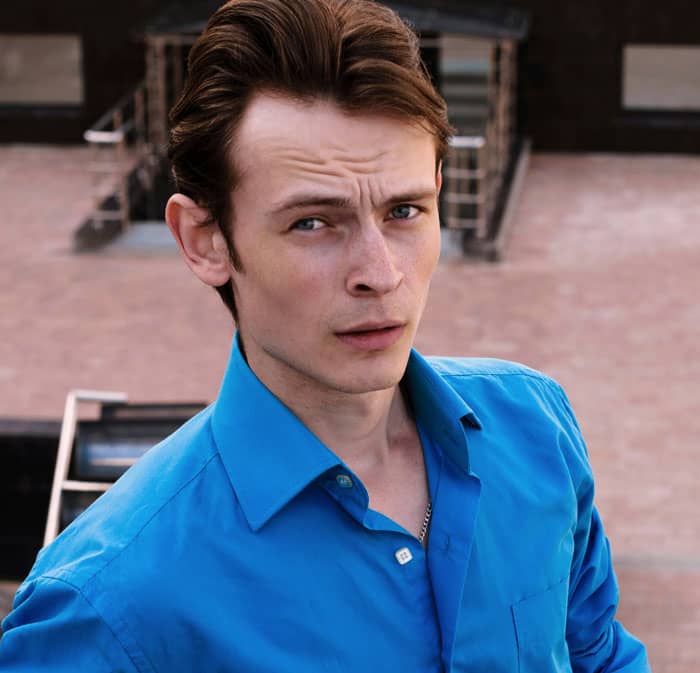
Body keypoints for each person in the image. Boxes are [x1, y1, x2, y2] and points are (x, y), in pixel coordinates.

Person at [0, 0, 650, 671]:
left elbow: (598, 654)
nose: (381, 273)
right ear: (204, 240)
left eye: (404, 210)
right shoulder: (105, 603)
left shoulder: (535, 425)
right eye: (313, 223)